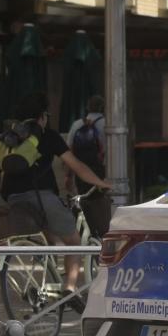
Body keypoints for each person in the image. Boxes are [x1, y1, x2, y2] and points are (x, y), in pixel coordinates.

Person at [0, 92, 111, 297]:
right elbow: (76, 166)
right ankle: (69, 289)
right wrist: (101, 182)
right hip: (41, 197)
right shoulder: (48, 136)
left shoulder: (11, 138)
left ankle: (46, 280)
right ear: (42, 117)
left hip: (13, 198)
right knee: (74, 242)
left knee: (49, 236)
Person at [66, 95, 112, 239]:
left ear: (87, 107)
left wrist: (68, 175)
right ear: (103, 108)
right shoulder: (107, 124)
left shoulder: (77, 124)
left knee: (83, 201)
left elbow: (69, 150)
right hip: (100, 171)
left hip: (80, 171)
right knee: (99, 203)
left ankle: (86, 232)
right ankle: (100, 233)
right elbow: (108, 150)